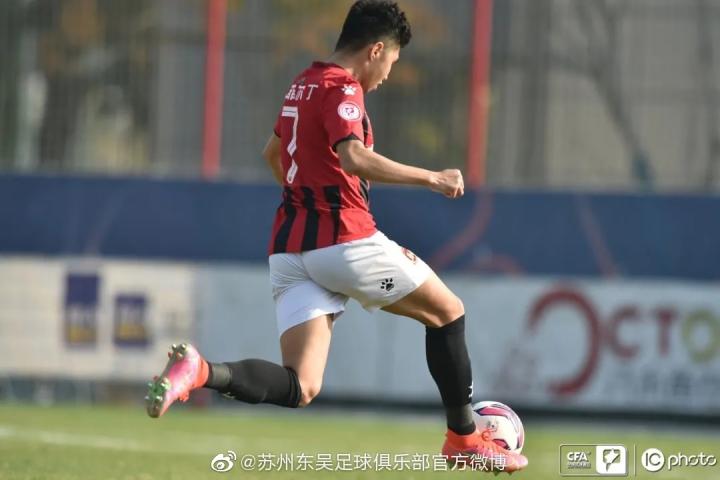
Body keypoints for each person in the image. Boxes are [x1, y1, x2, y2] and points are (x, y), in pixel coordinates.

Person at [145, 0, 528, 472]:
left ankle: (201, 371)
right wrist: (432, 177)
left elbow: (272, 154)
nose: (387, 75)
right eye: (392, 61)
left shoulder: (302, 83)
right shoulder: (342, 87)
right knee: (448, 312)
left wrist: (307, 199)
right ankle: (464, 439)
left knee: (301, 384)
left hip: (290, 251)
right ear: (376, 50)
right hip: (344, 240)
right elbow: (355, 158)